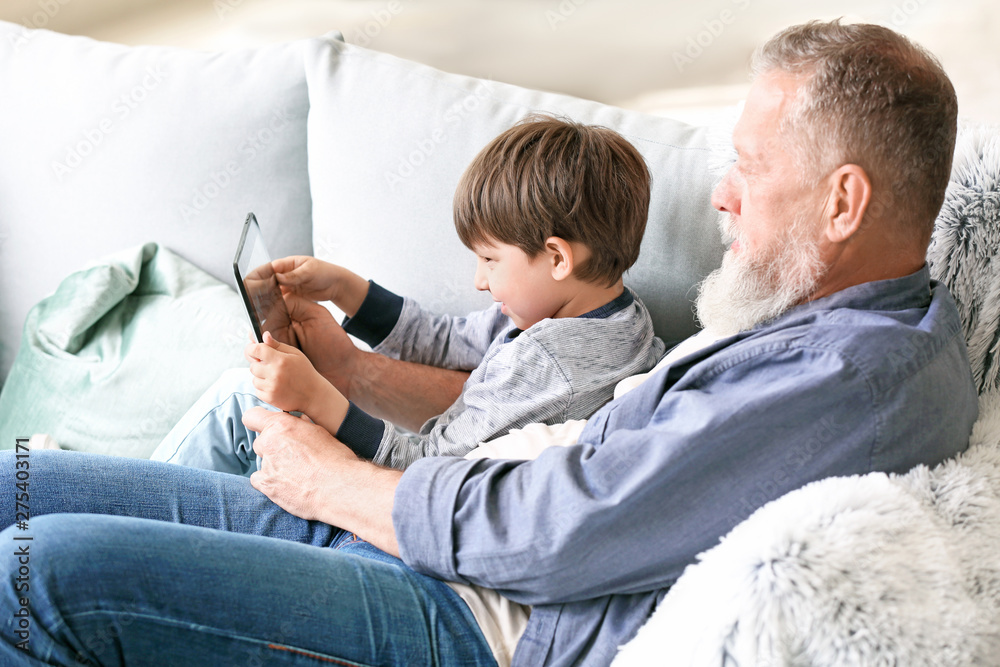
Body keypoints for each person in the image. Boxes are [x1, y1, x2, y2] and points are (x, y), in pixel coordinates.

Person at [0, 19, 979, 667]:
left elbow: (559, 533)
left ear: (842, 201)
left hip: (468, 610)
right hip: (422, 530)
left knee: (33, 571)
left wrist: (331, 476)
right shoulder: (824, 321)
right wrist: (341, 398)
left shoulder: (856, 375)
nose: (720, 192)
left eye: (751, 167)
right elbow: (482, 378)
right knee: (16, 486)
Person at [150, 115, 664, 474]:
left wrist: (317, 398)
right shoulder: (614, 316)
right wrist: (350, 291)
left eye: (489, 260)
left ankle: (106, 514)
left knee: (240, 396)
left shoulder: (547, 363)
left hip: (395, 499)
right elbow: (450, 339)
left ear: (556, 258)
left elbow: (423, 467)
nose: (479, 282)